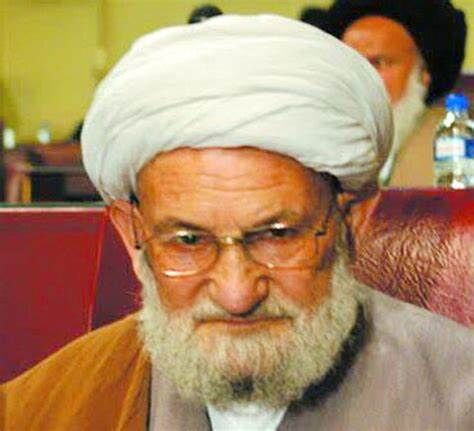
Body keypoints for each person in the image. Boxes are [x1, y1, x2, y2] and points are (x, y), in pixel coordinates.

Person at [1, 15, 473, 430]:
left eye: (277, 236)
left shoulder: (458, 394)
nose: (237, 294)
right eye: (189, 240)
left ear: (352, 221)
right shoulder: (48, 405)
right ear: (132, 234)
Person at [301, 0, 467, 187]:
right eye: (351, 63)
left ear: (423, 73)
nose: (360, 77)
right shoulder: (313, 145)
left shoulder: (456, 145)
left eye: (378, 63)